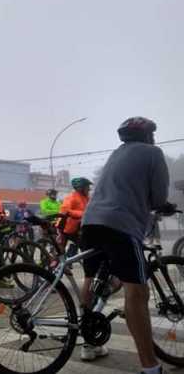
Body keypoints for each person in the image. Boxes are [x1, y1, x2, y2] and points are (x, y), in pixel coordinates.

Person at [80, 117, 175, 373]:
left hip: (90, 223)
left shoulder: (116, 154)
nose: (154, 139)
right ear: (147, 136)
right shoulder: (153, 153)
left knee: (92, 279)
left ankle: (88, 341)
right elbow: (158, 197)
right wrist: (165, 206)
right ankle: (150, 367)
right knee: (138, 293)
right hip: (121, 226)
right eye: (152, 134)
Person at [58, 177, 92, 256]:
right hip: (67, 227)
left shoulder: (87, 198)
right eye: (87, 187)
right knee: (60, 251)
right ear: (80, 188)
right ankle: (55, 261)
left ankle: (71, 255)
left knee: (84, 246)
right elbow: (65, 210)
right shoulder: (71, 197)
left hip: (79, 226)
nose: (89, 189)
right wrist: (82, 214)